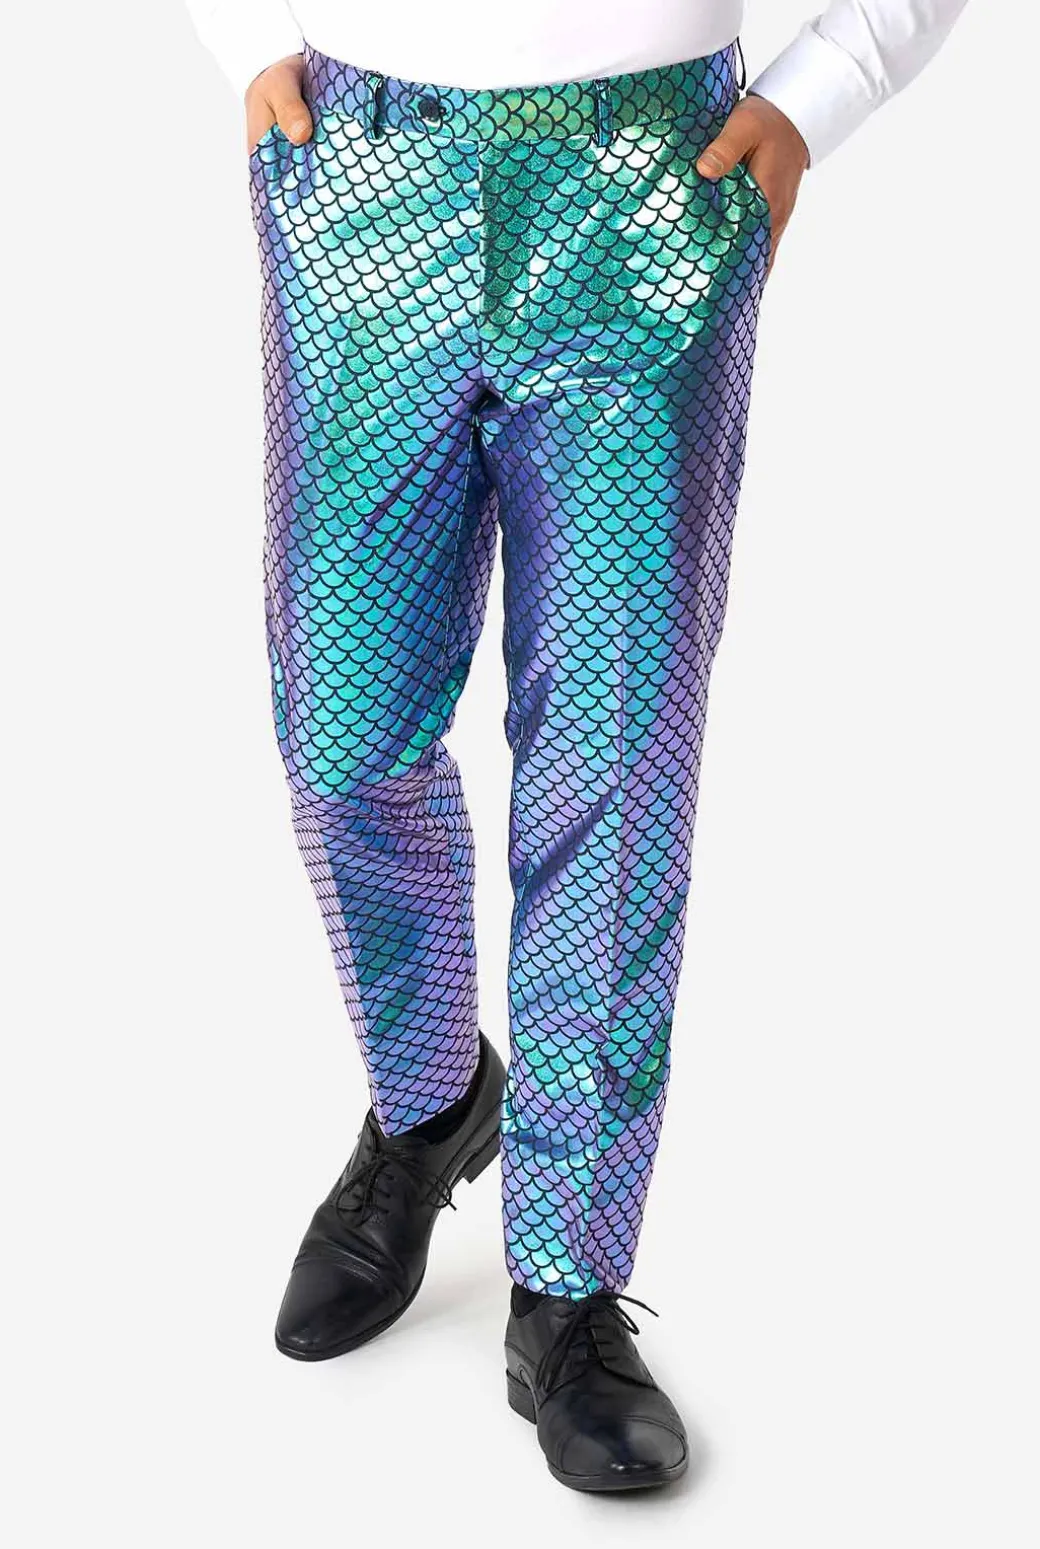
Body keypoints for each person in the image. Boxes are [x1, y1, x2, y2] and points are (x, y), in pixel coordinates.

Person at [187, 0, 967, 1493]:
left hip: (647, 184)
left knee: (614, 764)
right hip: (360, 169)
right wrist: (243, 45)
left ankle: (567, 1283)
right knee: (342, 732)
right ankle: (430, 1104)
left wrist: (826, 88)